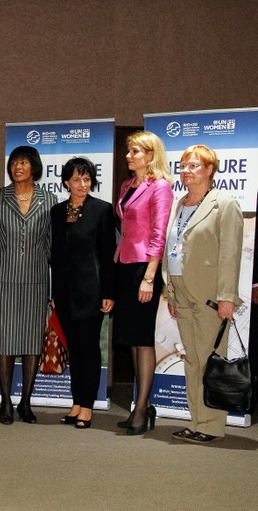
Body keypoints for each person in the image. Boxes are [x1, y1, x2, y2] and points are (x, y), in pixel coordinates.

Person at [163, 145, 242, 444]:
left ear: (209, 169)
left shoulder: (224, 203)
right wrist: (171, 292)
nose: (186, 170)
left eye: (194, 166)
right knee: (192, 361)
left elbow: (231, 254)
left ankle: (210, 425)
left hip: (210, 295)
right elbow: (173, 249)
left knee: (211, 361)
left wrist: (226, 296)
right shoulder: (179, 202)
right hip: (181, 292)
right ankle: (196, 421)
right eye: (183, 165)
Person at [0, 146, 58, 425]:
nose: (18, 166)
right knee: (4, 342)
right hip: (1, 278)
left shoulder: (50, 200)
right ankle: (5, 402)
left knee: (30, 343)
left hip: (36, 279)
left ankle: (25, 402)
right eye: (14, 161)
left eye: (24, 162)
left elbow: (53, 244)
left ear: (34, 167)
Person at [114, 131, 173, 435]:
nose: (129, 156)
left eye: (135, 151)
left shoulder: (160, 187)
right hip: (125, 265)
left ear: (150, 156)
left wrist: (149, 277)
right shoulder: (127, 185)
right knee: (134, 338)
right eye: (129, 151)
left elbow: (159, 235)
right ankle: (142, 403)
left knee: (144, 339)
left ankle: (141, 408)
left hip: (144, 270)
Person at [50, 157, 115, 429]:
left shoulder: (102, 210)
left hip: (91, 291)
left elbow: (108, 254)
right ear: (66, 182)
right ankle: (76, 403)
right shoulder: (56, 211)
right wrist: (54, 292)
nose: (82, 184)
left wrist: (109, 292)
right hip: (64, 292)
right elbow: (56, 254)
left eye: (87, 179)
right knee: (75, 349)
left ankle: (87, 406)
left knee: (89, 350)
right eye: (76, 179)